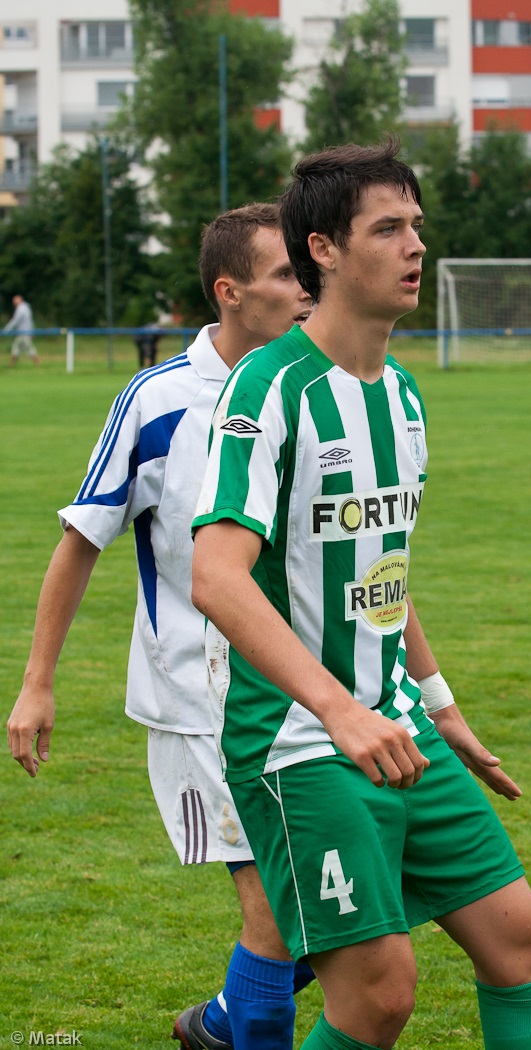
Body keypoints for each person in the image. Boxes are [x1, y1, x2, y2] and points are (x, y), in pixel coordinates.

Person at [191, 140, 531, 1050]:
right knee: (379, 995)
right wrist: (339, 710)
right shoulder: (269, 386)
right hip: (299, 740)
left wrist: (439, 708)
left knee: (522, 943)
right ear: (323, 250)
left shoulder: (401, 395)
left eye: (417, 226)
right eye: (389, 228)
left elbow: (382, 573)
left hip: (394, 725)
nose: (416, 247)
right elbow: (216, 577)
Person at [6, 204, 316, 1050]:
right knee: (277, 916)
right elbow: (81, 541)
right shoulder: (159, 400)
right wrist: (37, 683)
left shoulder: (312, 387)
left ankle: (218, 1023)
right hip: (200, 702)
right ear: (230, 292)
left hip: (309, 693)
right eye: (287, 274)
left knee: (350, 905)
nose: (307, 289)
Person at [4, 294, 40, 366]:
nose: (13, 302)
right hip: (22, 332)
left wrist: (6, 329)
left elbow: (15, 320)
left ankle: (38, 364)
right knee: (16, 348)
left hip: (23, 332)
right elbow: (30, 321)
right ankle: (11, 365)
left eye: (15, 300)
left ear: (19, 300)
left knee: (29, 348)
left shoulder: (21, 309)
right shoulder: (26, 307)